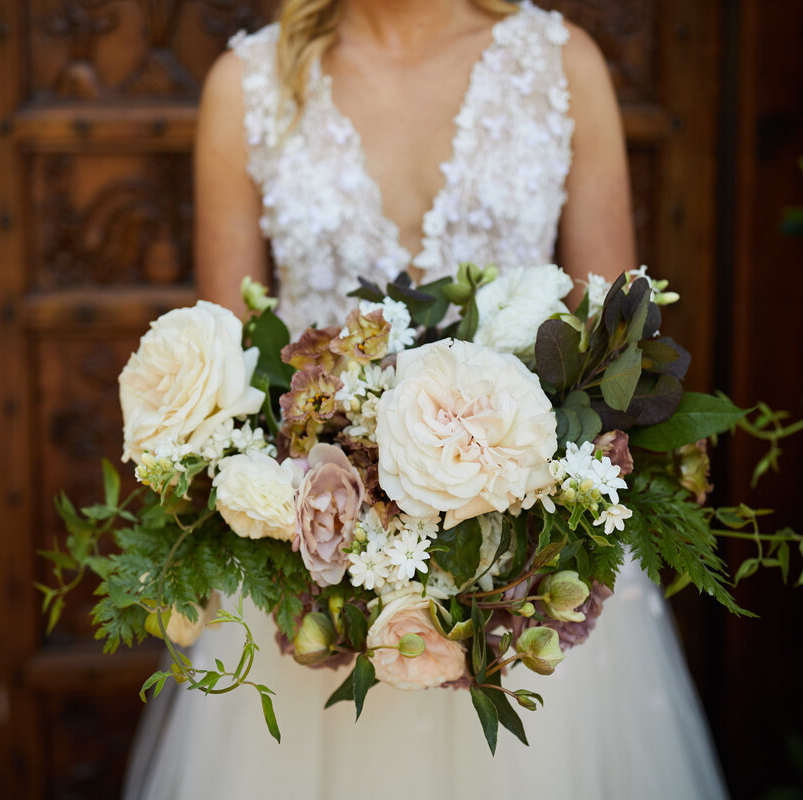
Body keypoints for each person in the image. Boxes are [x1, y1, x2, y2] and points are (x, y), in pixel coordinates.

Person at [123, 1, 729, 797]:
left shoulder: (560, 66)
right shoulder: (248, 87)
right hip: (318, 585)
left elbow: (613, 358)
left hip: (527, 591)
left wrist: (515, 511)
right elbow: (231, 380)